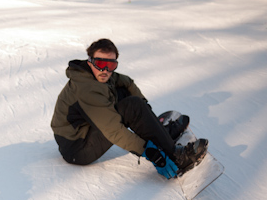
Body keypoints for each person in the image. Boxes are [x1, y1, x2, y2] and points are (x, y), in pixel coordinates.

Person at [51, 38, 207, 178]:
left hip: (85, 130)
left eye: (111, 64)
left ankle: (160, 134)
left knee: (125, 95)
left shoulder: (97, 74)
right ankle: (176, 157)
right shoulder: (87, 88)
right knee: (132, 106)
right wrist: (151, 152)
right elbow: (114, 131)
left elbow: (127, 82)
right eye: (100, 63)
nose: (105, 70)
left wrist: (146, 113)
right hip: (77, 149)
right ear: (90, 61)